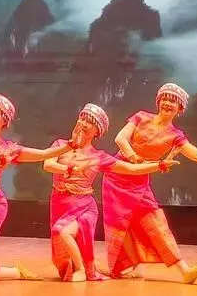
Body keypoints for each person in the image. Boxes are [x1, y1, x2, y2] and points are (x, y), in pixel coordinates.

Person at [102, 83, 197, 284]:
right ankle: (122, 267)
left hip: (139, 181)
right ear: (158, 101)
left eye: (173, 101)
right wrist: (134, 158)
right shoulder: (141, 117)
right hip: (117, 175)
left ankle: (185, 270)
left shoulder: (175, 135)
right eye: (164, 98)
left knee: (156, 223)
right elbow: (120, 139)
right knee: (121, 224)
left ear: (180, 108)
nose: (167, 103)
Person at [44, 103, 181, 282]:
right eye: (82, 118)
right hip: (59, 203)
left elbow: (130, 169)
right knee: (60, 253)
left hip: (83, 207)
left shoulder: (98, 156)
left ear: (97, 132)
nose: (84, 124)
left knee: (62, 231)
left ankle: (83, 270)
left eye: (90, 122)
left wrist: (159, 165)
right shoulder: (60, 145)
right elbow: (48, 164)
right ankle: (78, 268)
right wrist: (70, 168)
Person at [0, 93, 77, 287]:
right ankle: (15, 272)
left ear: (5, 121)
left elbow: (43, 154)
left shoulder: (8, 148)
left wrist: (69, 146)